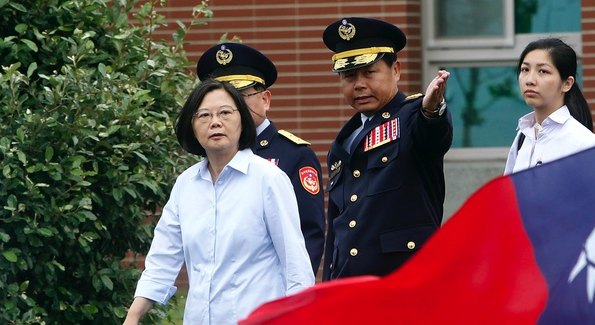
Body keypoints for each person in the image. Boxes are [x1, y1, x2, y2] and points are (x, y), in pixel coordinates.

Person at [123, 79, 315, 324]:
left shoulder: (268, 179)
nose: (215, 122)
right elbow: (163, 257)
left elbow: (295, 264)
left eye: (225, 112)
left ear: (242, 120)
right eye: (203, 115)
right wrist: (133, 315)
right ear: (192, 127)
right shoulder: (186, 184)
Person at [320, 17, 453, 281]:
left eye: (369, 73)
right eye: (349, 76)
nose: (359, 84)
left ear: (396, 70)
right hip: (350, 286)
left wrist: (431, 110)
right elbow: (337, 228)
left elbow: (433, 134)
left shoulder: (414, 115)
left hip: (405, 281)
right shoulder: (343, 141)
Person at [196, 42, 326, 275]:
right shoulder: (212, 154)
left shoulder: (294, 154)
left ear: (265, 99)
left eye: (239, 96)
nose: (230, 108)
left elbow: (309, 234)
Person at [504, 38, 595, 175]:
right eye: (525, 69)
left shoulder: (584, 143)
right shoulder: (523, 137)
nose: (530, 80)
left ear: (567, 83)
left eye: (543, 71)